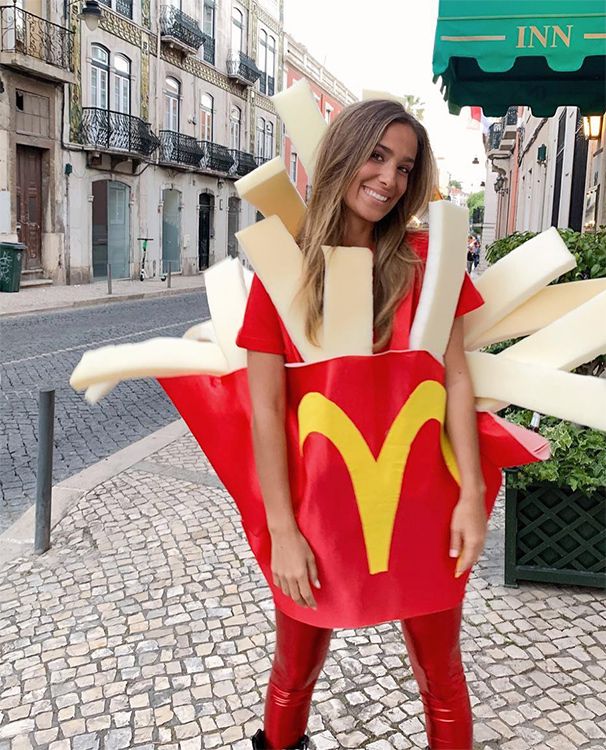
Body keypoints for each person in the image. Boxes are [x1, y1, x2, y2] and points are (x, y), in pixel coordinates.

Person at [236, 99, 487, 750]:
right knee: (294, 673)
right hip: (316, 513)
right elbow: (265, 406)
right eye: (377, 156)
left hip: (425, 504)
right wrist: (283, 532)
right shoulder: (285, 268)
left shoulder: (429, 262)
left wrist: (472, 495)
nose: (389, 179)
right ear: (344, 156)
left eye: (405, 167)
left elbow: (456, 376)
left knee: (442, 678)